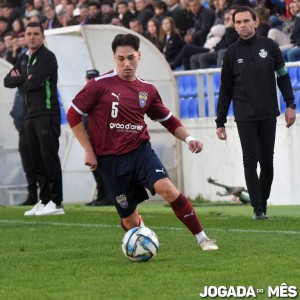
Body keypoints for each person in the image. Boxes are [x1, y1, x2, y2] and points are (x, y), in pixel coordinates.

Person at [66, 33, 218, 251]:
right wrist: (88, 150)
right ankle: (139, 231)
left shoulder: (147, 90)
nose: (126, 63)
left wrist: (190, 138)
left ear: (139, 56)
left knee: (168, 189)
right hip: (110, 161)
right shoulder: (98, 85)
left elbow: (168, 120)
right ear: (114, 58)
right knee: (129, 220)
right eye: (121, 59)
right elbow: (73, 115)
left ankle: (203, 238)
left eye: (131, 58)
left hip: (140, 152)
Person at [216, 6, 296, 220]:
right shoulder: (231, 53)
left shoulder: (270, 46)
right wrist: (220, 121)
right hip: (245, 116)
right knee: (250, 161)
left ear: (255, 22)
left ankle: (262, 201)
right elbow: (225, 89)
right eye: (238, 22)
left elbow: (283, 76)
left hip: (269, 113)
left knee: (267, 163)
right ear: (235, 25)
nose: (242, 25)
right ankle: (258, 209)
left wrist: (290, 105)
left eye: (246, 21)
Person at [4, 22, 64, 216]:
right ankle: (44, 200)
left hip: (46, 114)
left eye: (36, 34)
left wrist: (22, 80)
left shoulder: (48, 57)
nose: (31, 37)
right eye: (28, 34)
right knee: (36, 160)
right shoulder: (23, 58)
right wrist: (25, 79)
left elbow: (34, 82)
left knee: (49, 158)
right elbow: (7, 81)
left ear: (42, 36)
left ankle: (56, 202)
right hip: (29, 116)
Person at [84, 69, 113, 206]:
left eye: (93, 78)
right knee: (95, 168)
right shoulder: (85, 97)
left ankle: (108, 196)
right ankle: (101, 194)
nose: (91, 80)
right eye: (89, 78)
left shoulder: (103, 96)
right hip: (91, 139)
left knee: (104, 169)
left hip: (104, 140)